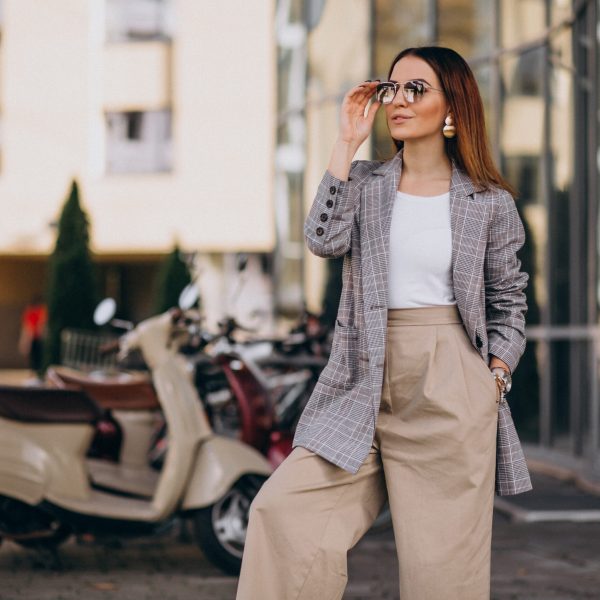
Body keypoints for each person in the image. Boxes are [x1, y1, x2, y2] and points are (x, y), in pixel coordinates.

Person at [236, 46, 530, 600]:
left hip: (450, 386)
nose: (398, 99)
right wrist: (346, 142)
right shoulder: (366, 184)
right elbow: (323, 239)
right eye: (392, 87)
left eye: (417, 88)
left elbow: (508, 301)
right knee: (283, 513)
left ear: (452, 109)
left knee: (442, 576)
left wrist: (493, 377)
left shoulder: (488, 202)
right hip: (361, 378)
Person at [19, 295, 47, 374]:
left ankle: (37, 372)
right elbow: (28, 326)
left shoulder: (41, 311)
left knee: (37, 356)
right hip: (34, 337)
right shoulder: (32, 312)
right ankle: (35, 372)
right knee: (34, 356)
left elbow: (41, 324)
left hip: (38, 337)